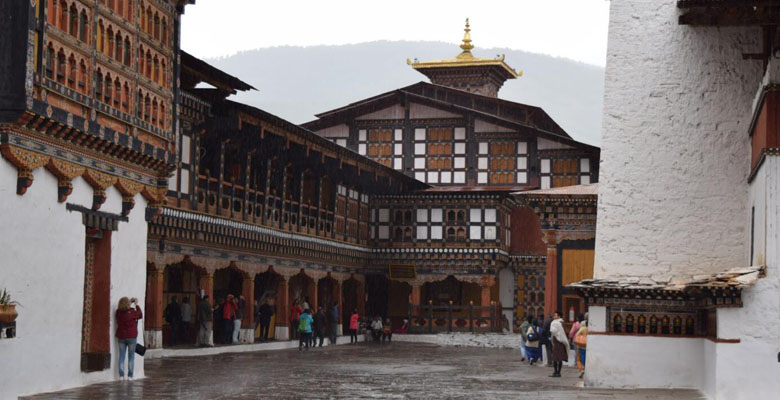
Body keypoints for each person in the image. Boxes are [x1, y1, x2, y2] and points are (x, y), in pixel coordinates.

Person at [116, 297, 143, 381]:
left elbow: (123, 309)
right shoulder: (132, 312)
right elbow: (140, 315)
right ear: (128, 304)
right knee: (131, 357)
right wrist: (136, 305)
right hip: (131, 337)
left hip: (121, 337)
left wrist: (129, 303)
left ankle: (121, 376)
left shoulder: (118, 312)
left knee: (121, 356)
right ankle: (130, 376)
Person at [549, 311, 569, 378]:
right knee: (558, 358)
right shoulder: (559, 322)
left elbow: (554, 331)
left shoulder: (558, 323)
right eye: (554, 315)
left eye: (556, 315)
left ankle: (557, 372)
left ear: (559, 316)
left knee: (556, 358)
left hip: (559, 341)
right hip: (559, 341)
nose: (554, 316)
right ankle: (557, 372)